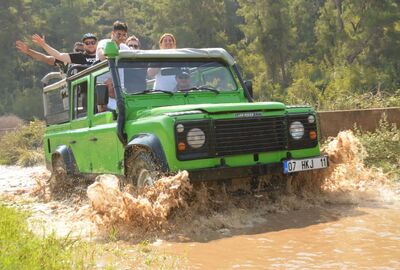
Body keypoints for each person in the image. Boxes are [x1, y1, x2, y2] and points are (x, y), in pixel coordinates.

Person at [15, 40, 86, 73]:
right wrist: (28, 51)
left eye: (82, 51)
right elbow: (45, 58)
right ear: (73, 50)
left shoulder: (88, 61)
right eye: (77, 50)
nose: (79, 52)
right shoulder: (64, 59)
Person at [31, 33, 97, 65]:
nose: (90, 45)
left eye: (93, 42)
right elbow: (58, 55)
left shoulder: (101, 55)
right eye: (87, 43)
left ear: (97, 44)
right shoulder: (79, 57)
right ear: (84, 45)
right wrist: (44, 45)